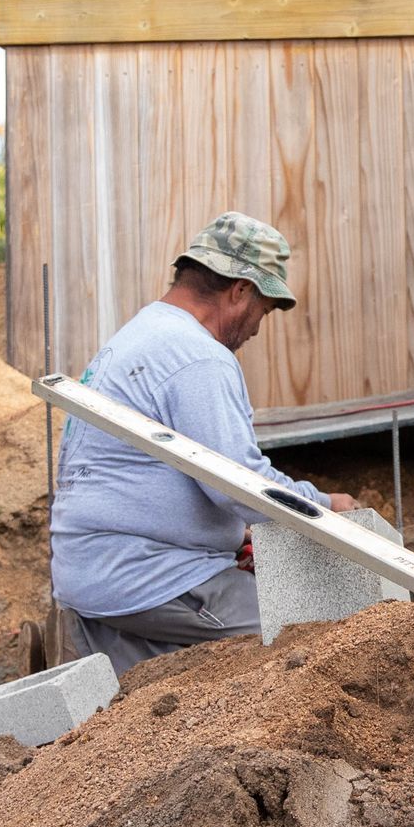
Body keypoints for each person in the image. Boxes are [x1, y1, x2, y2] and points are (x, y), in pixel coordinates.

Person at [49, 211, 357, 673]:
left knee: (177, 695)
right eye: (263, 312)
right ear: (241, 290)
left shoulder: (142, 334)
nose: (255, 329)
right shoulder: (197, 356)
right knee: (322, 634)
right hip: (148, 576)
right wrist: (327, 506)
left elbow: (150, 475)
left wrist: (233, 536)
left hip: (92, 576)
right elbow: (240, 484)